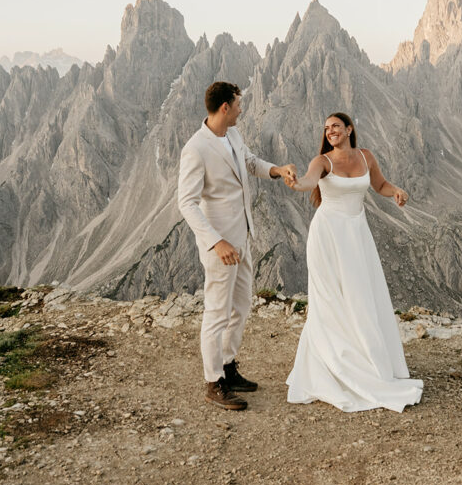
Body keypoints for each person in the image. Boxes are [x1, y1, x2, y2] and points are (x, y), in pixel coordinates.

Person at [285, 112, 423, 413]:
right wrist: (295, 183)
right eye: (326, 128)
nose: (330, 130)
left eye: (335, 126)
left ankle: (368, 361)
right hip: (328, 236)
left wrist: (396, 191)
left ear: (349, 129)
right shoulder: (323, 161)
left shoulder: (366, 156)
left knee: (361, 297)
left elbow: (380, 184)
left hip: (357, 235)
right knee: (330, 301)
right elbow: (309, 182)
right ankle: (334, 364)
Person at [178, 81, 297, 411]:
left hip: (242, 235)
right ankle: (214, 382)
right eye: (238, 104)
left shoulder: (232, 135)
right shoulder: (196, 148)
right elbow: (186, 203)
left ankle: (228, 366)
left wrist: (277, 170)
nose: (243, 109)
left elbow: (249, 162)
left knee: (242, 302)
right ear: (225, 108)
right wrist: (216, 242)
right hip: (221, 244)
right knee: (217, 311)